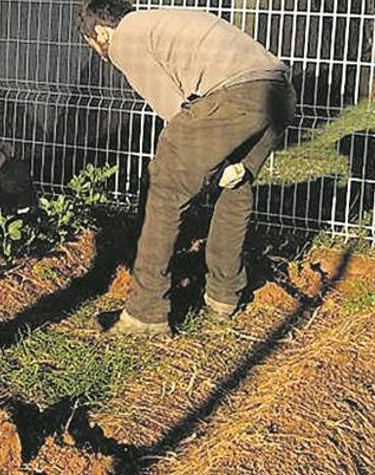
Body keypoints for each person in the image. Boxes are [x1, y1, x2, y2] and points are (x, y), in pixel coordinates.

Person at [79, 0, 296, 333]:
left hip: (236, 95)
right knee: (235, 187)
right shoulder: (162, 21)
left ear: (101, 32)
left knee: (165, 188)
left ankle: (146, 312)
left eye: (93, 45)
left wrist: (207, 160)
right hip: (279, 93)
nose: (99, 53)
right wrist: (221, 162)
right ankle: (224, 296)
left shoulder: (126, 38)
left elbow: (174, 109)